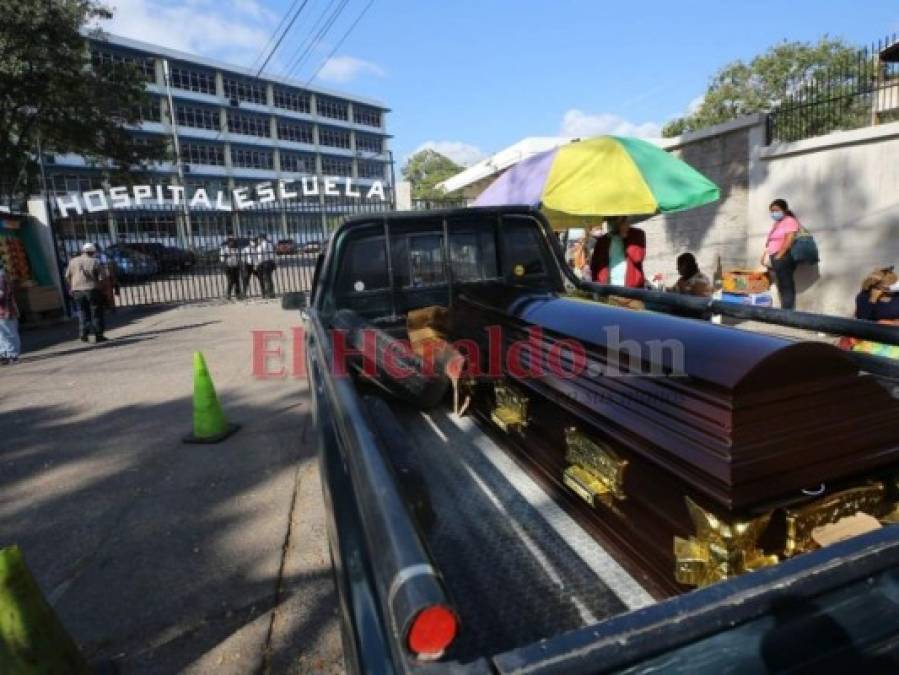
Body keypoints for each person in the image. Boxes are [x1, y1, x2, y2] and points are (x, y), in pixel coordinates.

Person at [762, 198, 801, 309]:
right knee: (782, 284)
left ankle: (788, 312)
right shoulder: (778, 223)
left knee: (786, 284)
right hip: (775, 256)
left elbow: (789, 239)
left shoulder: (790, 221)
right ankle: (785, 309)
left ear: (784, 210)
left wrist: (779, 255)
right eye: (772, 211)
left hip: (784, 256)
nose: (774, 213)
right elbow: (771, 240)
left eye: (776, 210)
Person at [65, 243, 107, 342]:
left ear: (83, 251)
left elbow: (67, 276)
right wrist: (102, 287)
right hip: (92, 290)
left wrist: (72, 286)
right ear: (93, 252)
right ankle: (98, 335)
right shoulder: (95, 261)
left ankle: (83, 333)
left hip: (77, 291)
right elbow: (102, 277)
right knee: (96, 312)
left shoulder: (72, 261)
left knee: (82, 312)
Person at [590, 216, 646, 288]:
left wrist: (625, 236)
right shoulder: (603, 241)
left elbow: (637, 258)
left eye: (615, 219)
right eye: (609, 219)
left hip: (632, 290)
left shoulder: (637, 234)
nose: (611, 223)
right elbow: (595, 266)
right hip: (609, 289)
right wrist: (598, 287)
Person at [0, 259, 20, 364]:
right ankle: (5, 354)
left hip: (6, 311)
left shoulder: (1, 276)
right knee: (2, 334)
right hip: (3, 311)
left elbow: (1, 294)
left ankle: (12, 354)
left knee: (9, 333)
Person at [255, 234, 276, 298]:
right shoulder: (270, 244)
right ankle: (272, 293)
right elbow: (273, 254)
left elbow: (260, 256)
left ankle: (268, 293)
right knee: (269, 278)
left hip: (264, 263)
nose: (258, 240)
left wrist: (257, 264)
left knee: (266, 279)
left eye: (259, 238)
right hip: (270, 262)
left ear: (261, 238)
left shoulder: (260, 246)